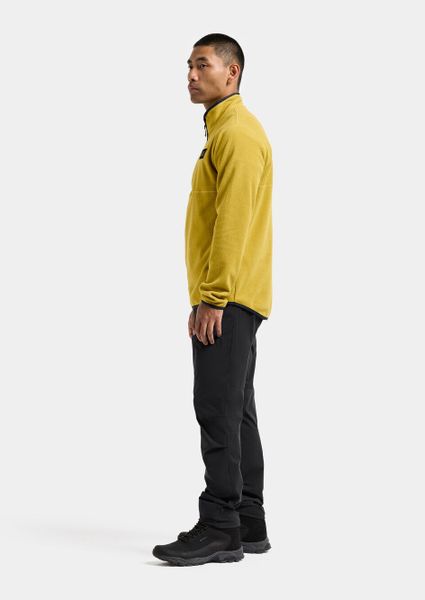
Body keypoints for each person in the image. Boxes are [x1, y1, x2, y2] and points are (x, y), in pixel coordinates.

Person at [153, 33, 273, 566]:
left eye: (203, 65)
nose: (191, 75)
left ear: (233, 72)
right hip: (236, 296)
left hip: (229, 297)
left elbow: (232, 223)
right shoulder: (224, 131)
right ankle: (248, 520)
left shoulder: (237, 134)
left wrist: (213, 298)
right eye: (189, 65)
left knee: (216, 407)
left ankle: (221, 523)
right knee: (237, 408)